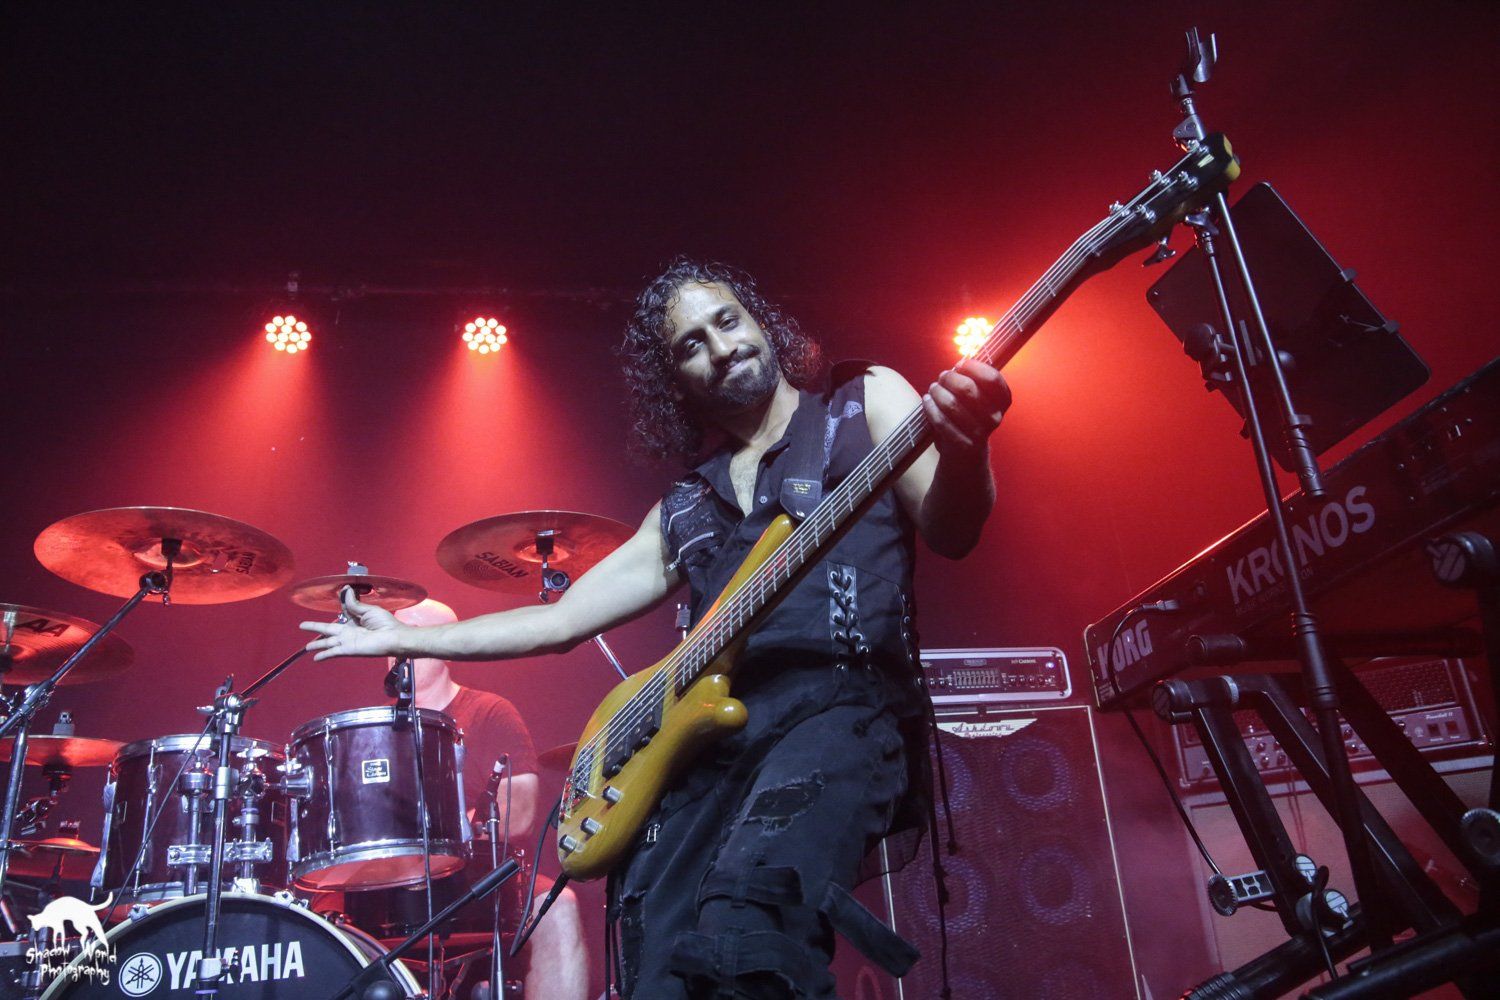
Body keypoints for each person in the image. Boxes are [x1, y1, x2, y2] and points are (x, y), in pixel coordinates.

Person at [302, 259, 1009, 998]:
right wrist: (401, 637)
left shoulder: (863, 403)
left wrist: (967, 449)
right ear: (675, 383)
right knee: (660, 951)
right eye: (692, 344)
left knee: (750, 920)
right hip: (716, 746)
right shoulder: (687, 506)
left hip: (839, 716)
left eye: (728, 321)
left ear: (763, 323)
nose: (722, 347)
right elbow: (561, 620)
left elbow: (952, 529)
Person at [336, 598, 589, 1000]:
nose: (396, 650)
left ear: (446, 647)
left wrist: (447, 828)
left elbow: (520, 815)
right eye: (390, 639)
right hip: (384, 885)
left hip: (474, 882)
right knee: (319, 921)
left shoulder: (490, 712)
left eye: (410, 636)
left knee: (560, 907)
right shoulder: (370, 728)